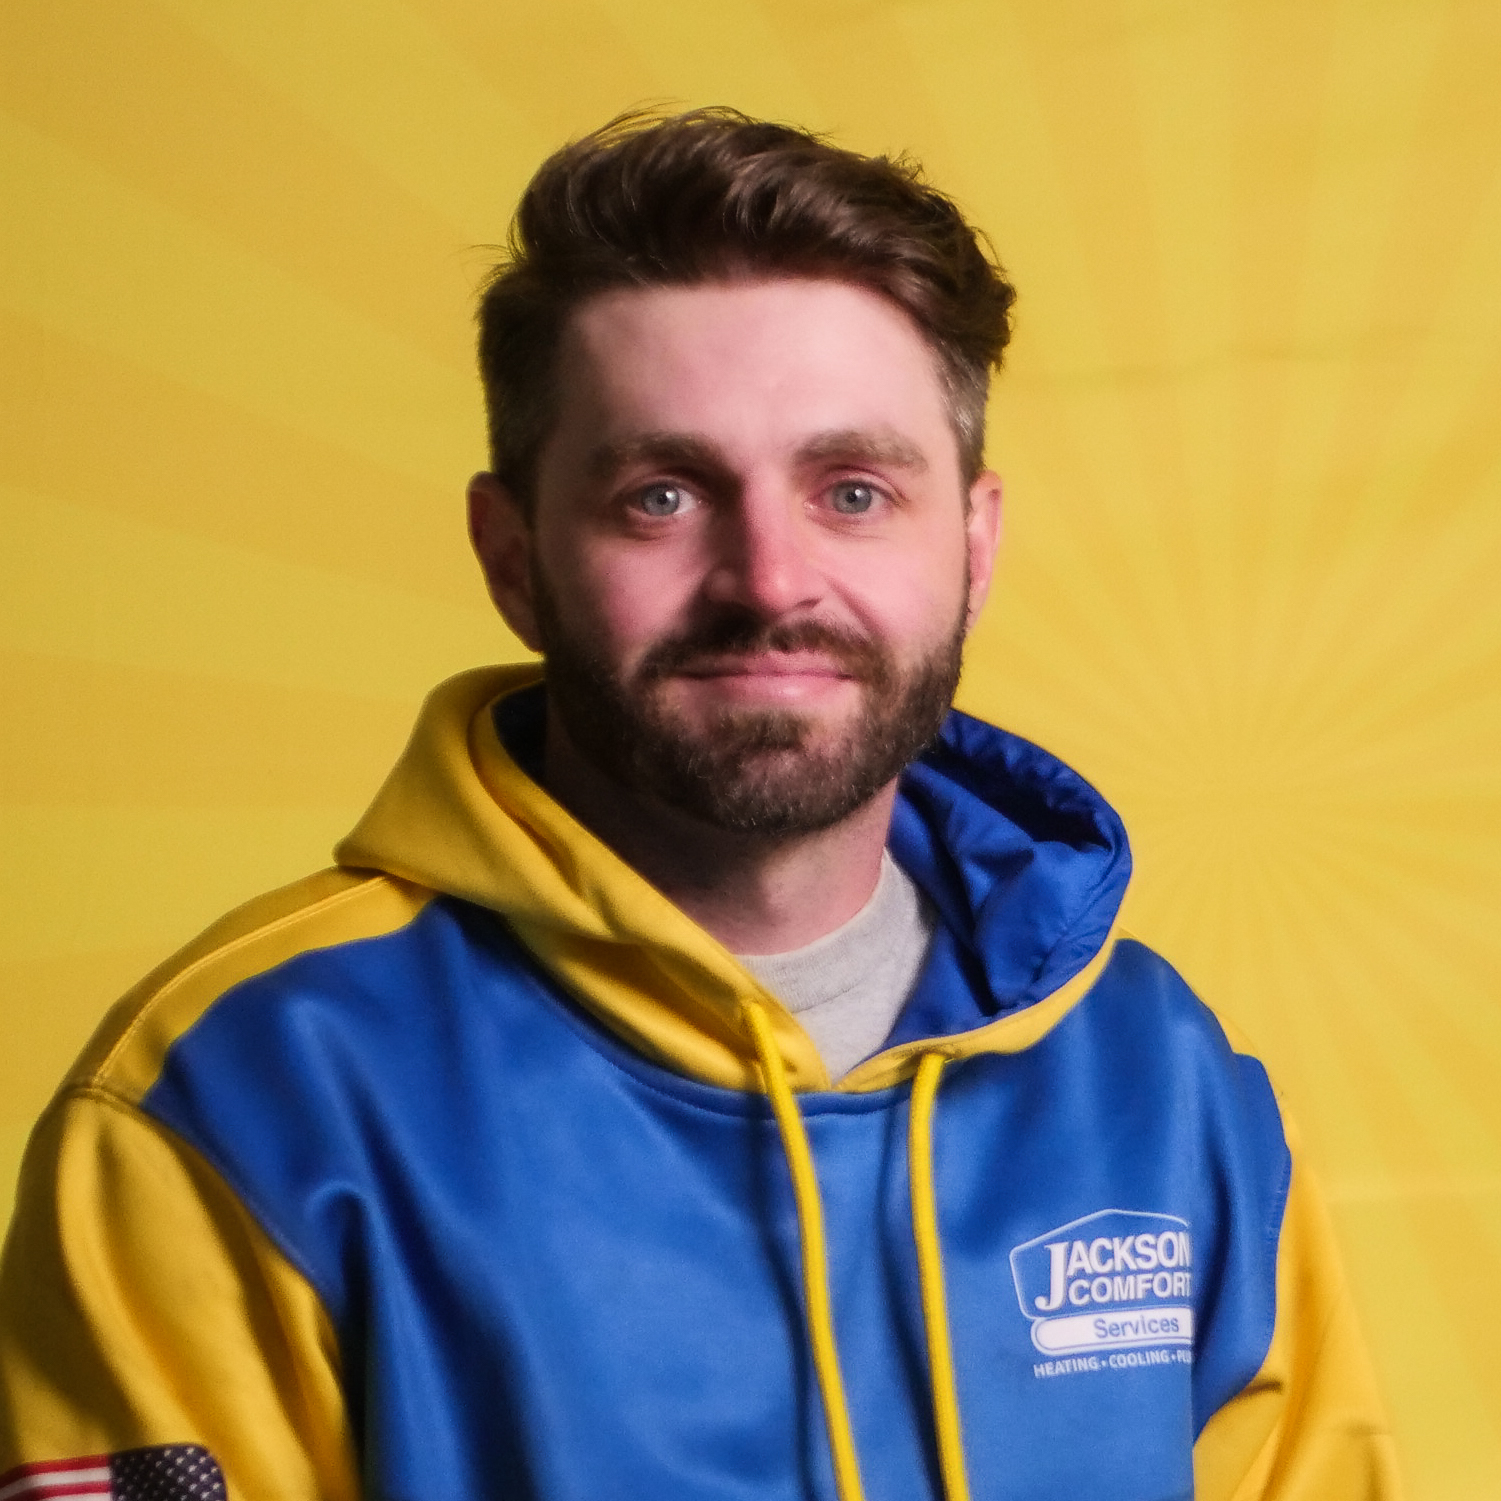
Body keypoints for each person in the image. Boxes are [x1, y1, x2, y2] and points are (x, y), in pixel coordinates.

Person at [0, 109, 1398, 1501]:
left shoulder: (1159, 1079)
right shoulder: (236, 1096)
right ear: (513, 555)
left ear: (970, 546)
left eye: (853, 490)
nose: (770, 579)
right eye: (660, 496)